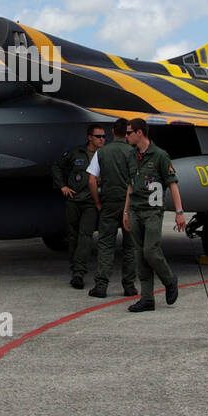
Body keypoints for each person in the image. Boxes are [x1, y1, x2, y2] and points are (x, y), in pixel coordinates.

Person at [122, 118, 187, 313]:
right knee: (140, 256)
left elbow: (172, 184)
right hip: (135, 210)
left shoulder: (160, 156)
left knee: (151, 251)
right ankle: (147, 299)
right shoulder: (132, 156)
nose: (126, 136)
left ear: (139, 133)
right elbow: (130, 186)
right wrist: (125, 212)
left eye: (129, 133)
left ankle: (169, 280)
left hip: (152, 212)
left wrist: (179, 212)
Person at [85, 118, 140, 298]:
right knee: (130, 246)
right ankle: (129, 286)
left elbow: (92, 180)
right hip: (129, 205)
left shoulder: (102, 152)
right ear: (126, 133)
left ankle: (101, 286)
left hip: (108, 204)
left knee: (105, 245)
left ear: (112, 132)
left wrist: (97, 202)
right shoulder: (133, 152)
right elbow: (136, 180)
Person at [51, 125, 104, 289]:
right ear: (90, 137)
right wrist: (62, 186)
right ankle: (75, 268)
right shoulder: (76, 153)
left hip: (90, 202)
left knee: (85, 236)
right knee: (72, 236)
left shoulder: (105, 154)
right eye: (98, 136)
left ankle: (79, 272)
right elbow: (56, 166)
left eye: (103, 136)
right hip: (73, 201)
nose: (102, 139)